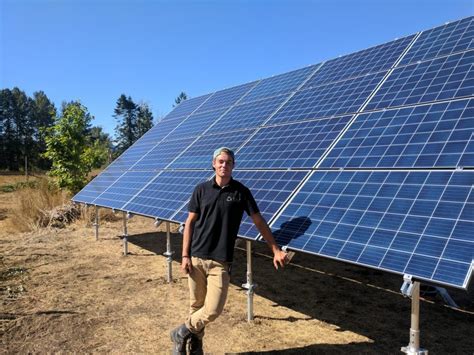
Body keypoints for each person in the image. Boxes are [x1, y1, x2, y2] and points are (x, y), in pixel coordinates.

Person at [170, 147, 288, 354]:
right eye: (221, 161)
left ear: (233, 166)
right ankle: (196, 346)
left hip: (221, 262)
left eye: (229, 162)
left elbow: (259, 221)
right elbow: (189, 223)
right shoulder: (201, 189)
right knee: (196, 306)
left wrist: (275, 249)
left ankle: (181, 332)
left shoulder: (241, 192)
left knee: (213, 309)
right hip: (196, 257)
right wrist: (185, 255)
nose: (224, 165)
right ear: (214, 164)